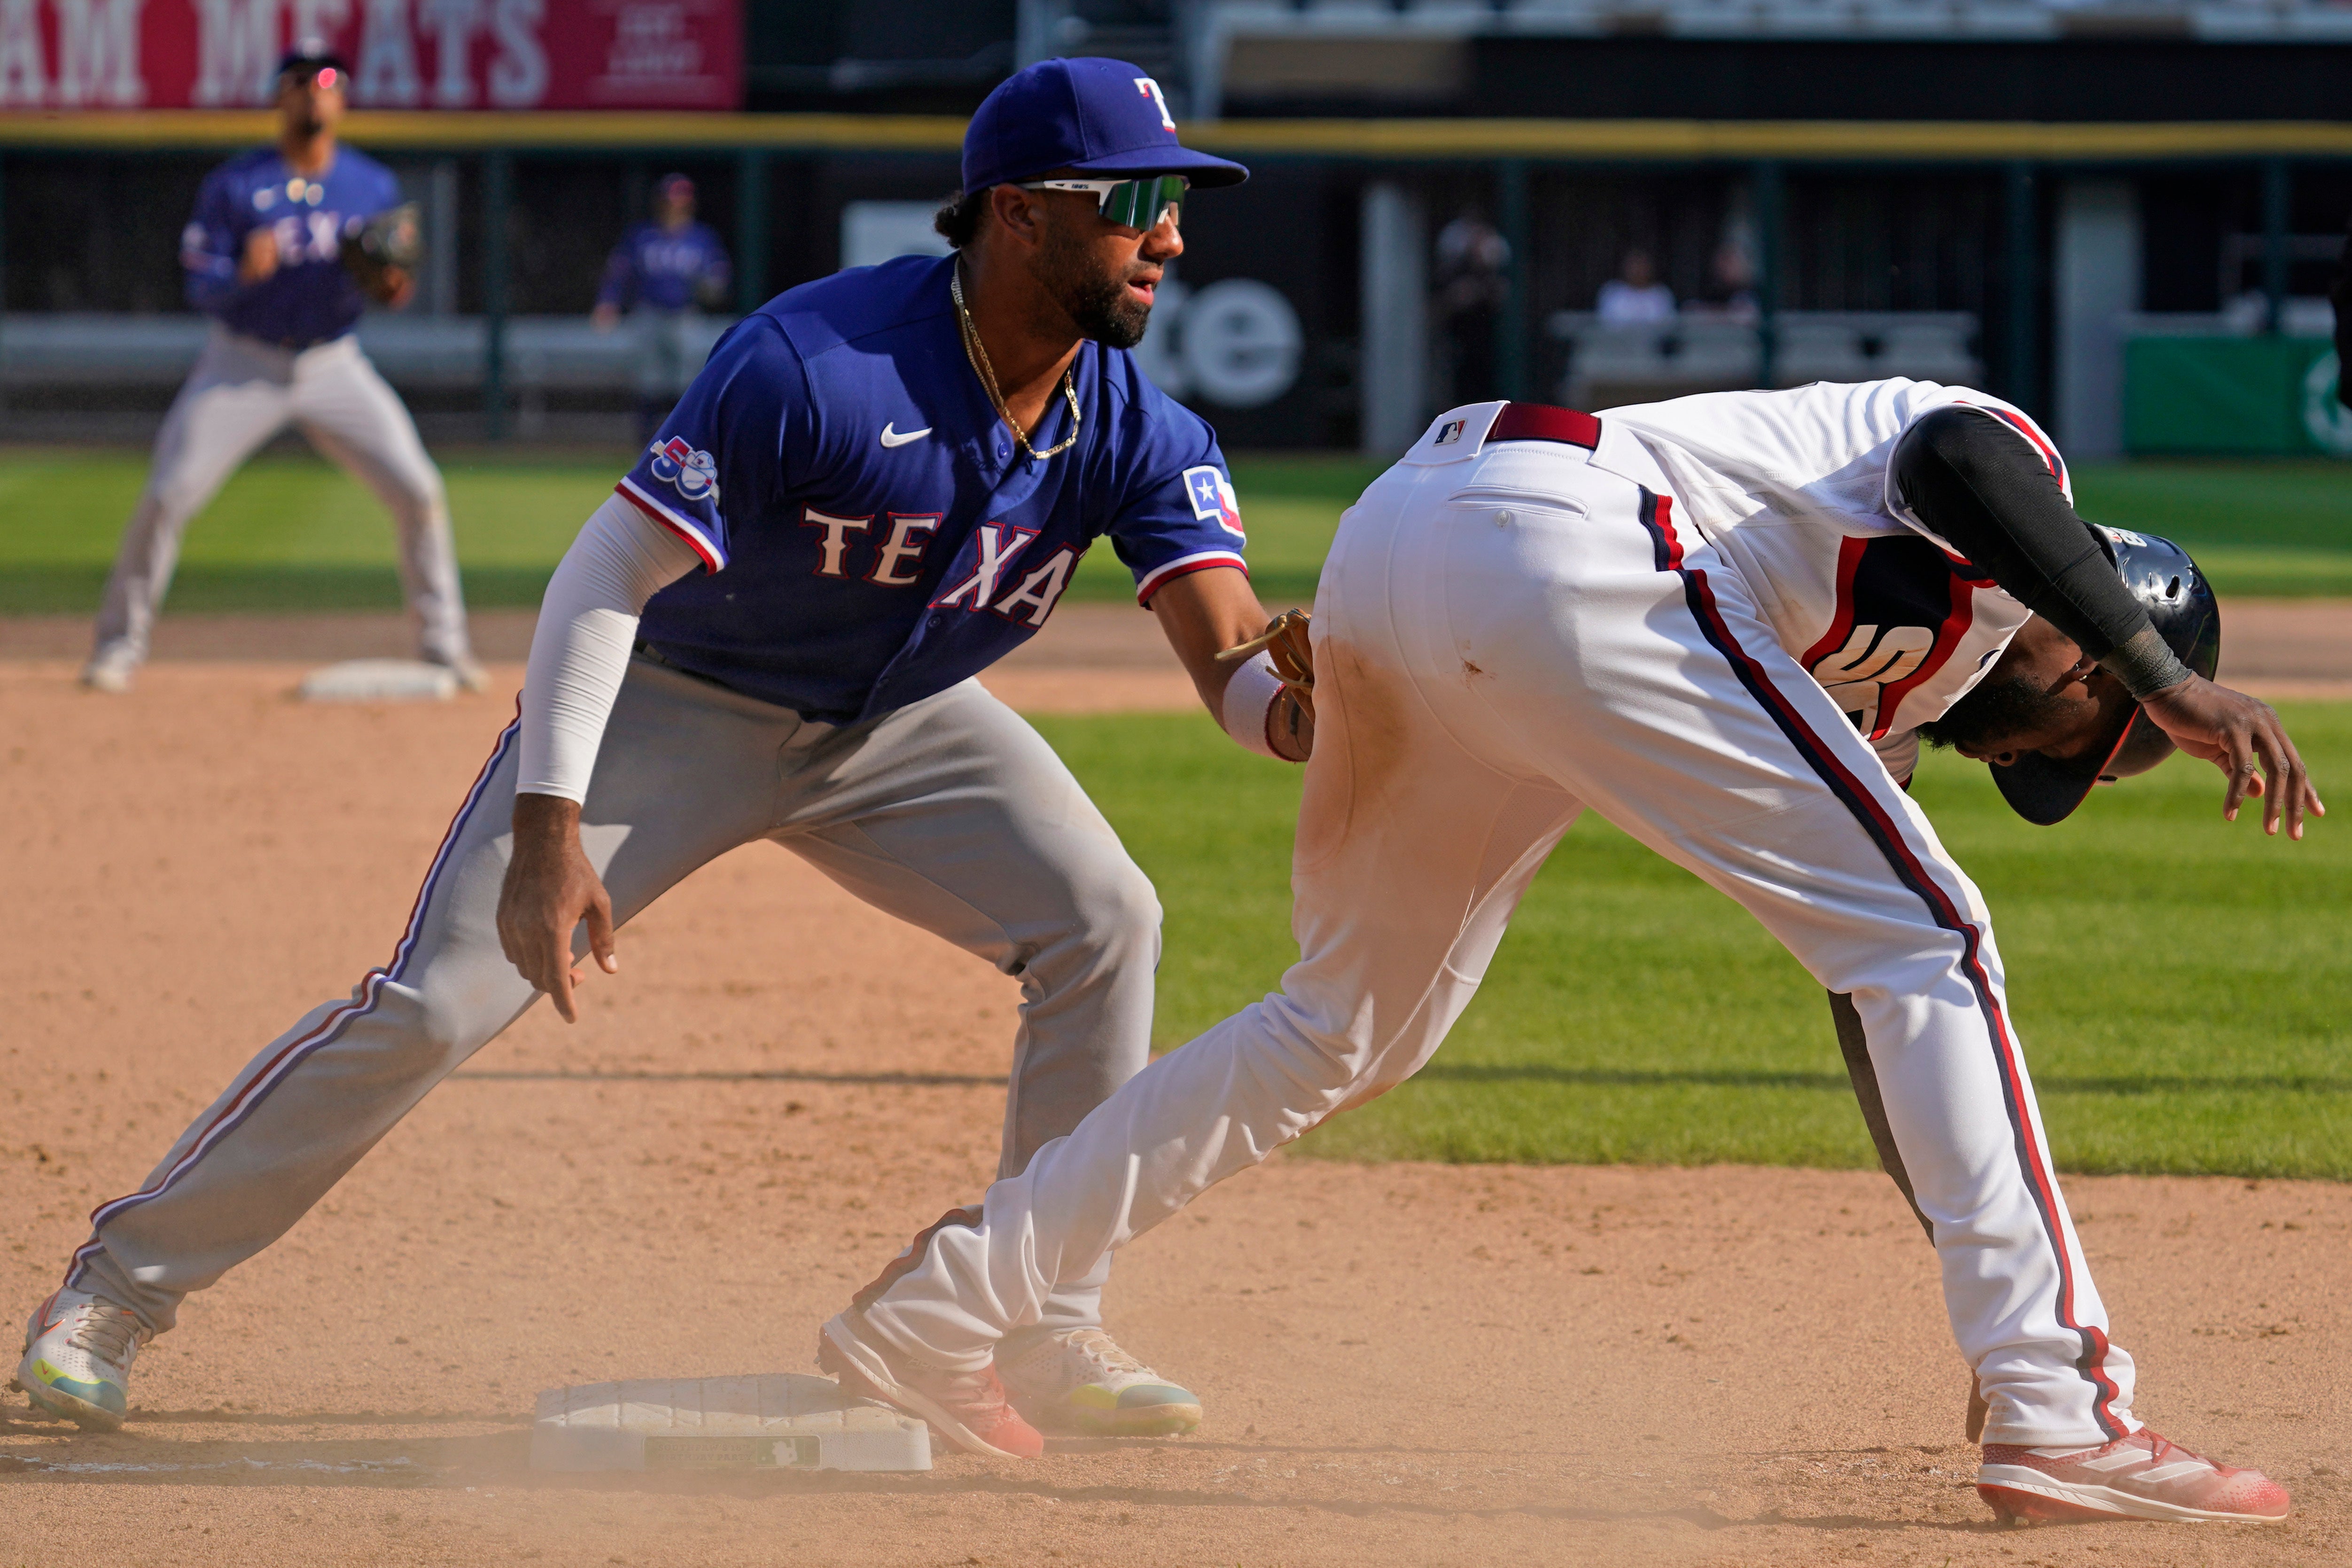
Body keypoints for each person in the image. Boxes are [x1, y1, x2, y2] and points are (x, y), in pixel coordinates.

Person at [16, 58, 1306, 1455]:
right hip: (679, 694)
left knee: (1108, 918)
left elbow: (1233, 661)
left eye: (1178, 202)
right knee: (438, 1001)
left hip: (899, 724)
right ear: (1017, 213)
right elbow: (604, 574)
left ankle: (1044, 1312)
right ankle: (115, 1291)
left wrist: (1296, 705)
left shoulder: (1131, 424)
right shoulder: (819, 362)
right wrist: (552, 821)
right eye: (1138, 199)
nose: (1171, 233)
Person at [821, 381, 2319, 1527]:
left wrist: (1971, 1255)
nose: (2073, 751)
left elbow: (1875, 1003)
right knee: (1938, 932)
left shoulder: (1883, 691)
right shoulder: (2011, 487)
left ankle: (941, 1308)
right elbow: (1956, 462)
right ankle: (2065, 1407)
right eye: (2098, 732)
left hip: (1417, 537)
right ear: (2087, 624)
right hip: (1570, 535)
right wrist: (2168, 676)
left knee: (1340, 1022)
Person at [81, 44, 480, 696]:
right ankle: (117, 647)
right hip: (242, 362)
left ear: (342, 100)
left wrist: (390, 282)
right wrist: (240, 273)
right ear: (279, 97)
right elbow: (198, 287)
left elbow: (393, 288)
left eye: (328, 82)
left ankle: (446, 647)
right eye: (300, 81)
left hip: (333, 364)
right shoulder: (236, 186)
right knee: (167, 493)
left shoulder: (371, 184)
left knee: (418, 489)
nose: (315, 93)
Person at [592, 174, 734, 443]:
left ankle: (682, 443)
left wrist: (712, 287)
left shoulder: (702, 238)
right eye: (670, 201)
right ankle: (645, 443)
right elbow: (619, 272)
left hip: (684, 315)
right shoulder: (642, 235)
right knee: (648, 381)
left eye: (680, 202)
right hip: (648, 313)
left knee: (687, 381)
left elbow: (719, 279)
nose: (674, 207)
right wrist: (607, 302)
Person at [1596, 247, 1676, 325]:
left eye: (1642, 265)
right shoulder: (1612, 292)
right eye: (1634, 266)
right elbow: (1604, 325)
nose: (1638, 270)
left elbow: (1668, 327)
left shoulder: (1662, 294)